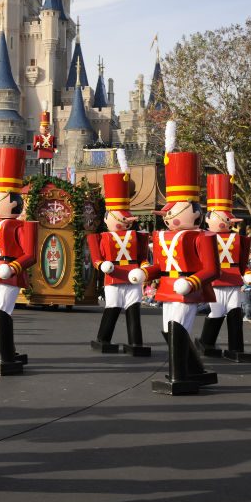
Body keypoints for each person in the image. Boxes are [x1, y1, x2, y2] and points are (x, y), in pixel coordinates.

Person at [129, 121, 220, 395]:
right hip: (167, 289)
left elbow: (211, 269)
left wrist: (192, 282)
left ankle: (178, 373)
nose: (168, 217)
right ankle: (194, 369)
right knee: (170, 330)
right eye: (167, 212)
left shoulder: (202, 237)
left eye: (175, 211)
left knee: (178, 328)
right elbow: (161, 264)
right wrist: (147, 272)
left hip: (186, 288)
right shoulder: (162, 237)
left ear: (195, 212)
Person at [0, 140, 38, 374]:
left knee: (1, 312)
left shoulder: (23, 226)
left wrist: (14, 267)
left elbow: (30, 255)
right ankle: (5, 350)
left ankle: (6, 355)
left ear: (13, 202)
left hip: (8, 273)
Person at [88, 149, 149, 357]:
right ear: (107, 218)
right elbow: (97, 257)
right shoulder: (101, 237)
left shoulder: (137, 236)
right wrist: (101, 265)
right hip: (113, 275)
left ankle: (135, 342)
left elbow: (142, 257)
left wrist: (143, 267)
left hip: (132, 275)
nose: (123, 221)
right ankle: (103, 338)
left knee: (133, 308)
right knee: (112, 307)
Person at [196, 152, 251, 362]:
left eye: (227, 219)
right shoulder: (203, 237)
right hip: (214, 281)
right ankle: (206, 342)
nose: (225, 223)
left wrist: (248, 273)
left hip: (232, 281)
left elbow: (243, 263)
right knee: (216, 313)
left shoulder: (239, 239)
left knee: (234, 314)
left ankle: (236, 347)